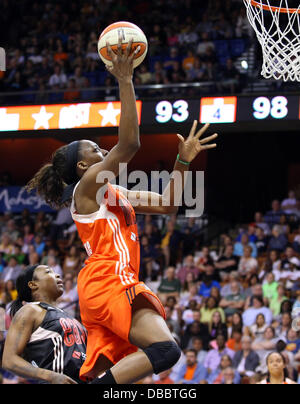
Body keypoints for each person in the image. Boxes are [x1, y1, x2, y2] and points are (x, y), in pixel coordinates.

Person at [26, 37, 218, 384]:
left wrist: (182, 161)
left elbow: (167, 203)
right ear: (83, 165)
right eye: (96, 150)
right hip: (108, 280)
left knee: (140, 361)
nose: (104, 151)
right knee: (165, 350)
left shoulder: (112, 192)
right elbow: (129, 144)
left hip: (110, 282)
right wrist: (125, 79)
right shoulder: (86, 189)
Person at [2, 265, 87, 384]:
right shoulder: (31, 310)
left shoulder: (69, 317)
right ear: (33, 284)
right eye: (48, 272)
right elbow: (8, 360)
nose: (57, 275)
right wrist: (51, 376)